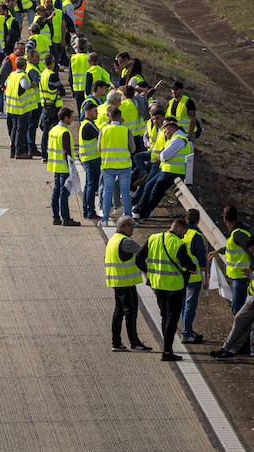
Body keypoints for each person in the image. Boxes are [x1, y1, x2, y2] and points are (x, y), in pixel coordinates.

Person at [138, 215, 196, 361]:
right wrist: (193, 267)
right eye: (183, 232)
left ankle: (167, 347)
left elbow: (138, 258)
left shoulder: (153, 238)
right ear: (179, 228)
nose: (183, 236)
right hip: (174, 287)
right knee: (172, 317)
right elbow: (188, 264)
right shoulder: (178, 244)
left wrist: (148, 272)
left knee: (164, 316)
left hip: (157, 284)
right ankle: (167, 352)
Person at [104, 217, 151, 352]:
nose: (133, 228)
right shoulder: (126, 242)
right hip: (126, 283)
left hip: (117, 282)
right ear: (123, 226)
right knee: (131, 313)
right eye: (130, 226)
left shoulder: (113, 240)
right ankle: (135, 343)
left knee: (119, 312)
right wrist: (150, 242)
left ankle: (116, 343)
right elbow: (143, 253)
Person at [208, 205, 253, 316]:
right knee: (239, 308)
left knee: (237, 309)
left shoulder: (238, 234)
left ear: (225, 218)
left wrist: (251, 273)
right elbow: (232, 248)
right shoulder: (237, 232)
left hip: (241, 277)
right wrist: (218, 251)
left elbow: (253, 251)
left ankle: (244, 333)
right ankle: (244, 332)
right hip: (239, 276)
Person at [45, 108, 80, 226]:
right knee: (64, 194)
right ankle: (66, 218)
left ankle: (55, 217)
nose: (71, 120)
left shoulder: (53, 130)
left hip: (55, 166)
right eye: (70, 117)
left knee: (56, 192)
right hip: (64, 167)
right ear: (65, 118)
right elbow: (67, 152)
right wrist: (72, 169)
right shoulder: (64, 132)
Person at [97, 106, 133, 221]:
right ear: (119, 117)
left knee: (107, 192)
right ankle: (128, 217)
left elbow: (99, 148)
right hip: (124, 166)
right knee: (125, 193)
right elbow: (132, 148)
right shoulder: (126, 130)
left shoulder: (103, 130)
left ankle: (105, 218)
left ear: (110, 117)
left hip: (108, 165)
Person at [179, 207, 208, 345]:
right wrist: (205, 278)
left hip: (180, 275)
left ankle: (187, 330)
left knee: (184, 305)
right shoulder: (197, 236)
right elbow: (202, 260)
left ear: (186, 219)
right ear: (198, 221)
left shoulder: (180, 233)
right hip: (194, 277)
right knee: (190, 305)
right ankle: (186, 333)